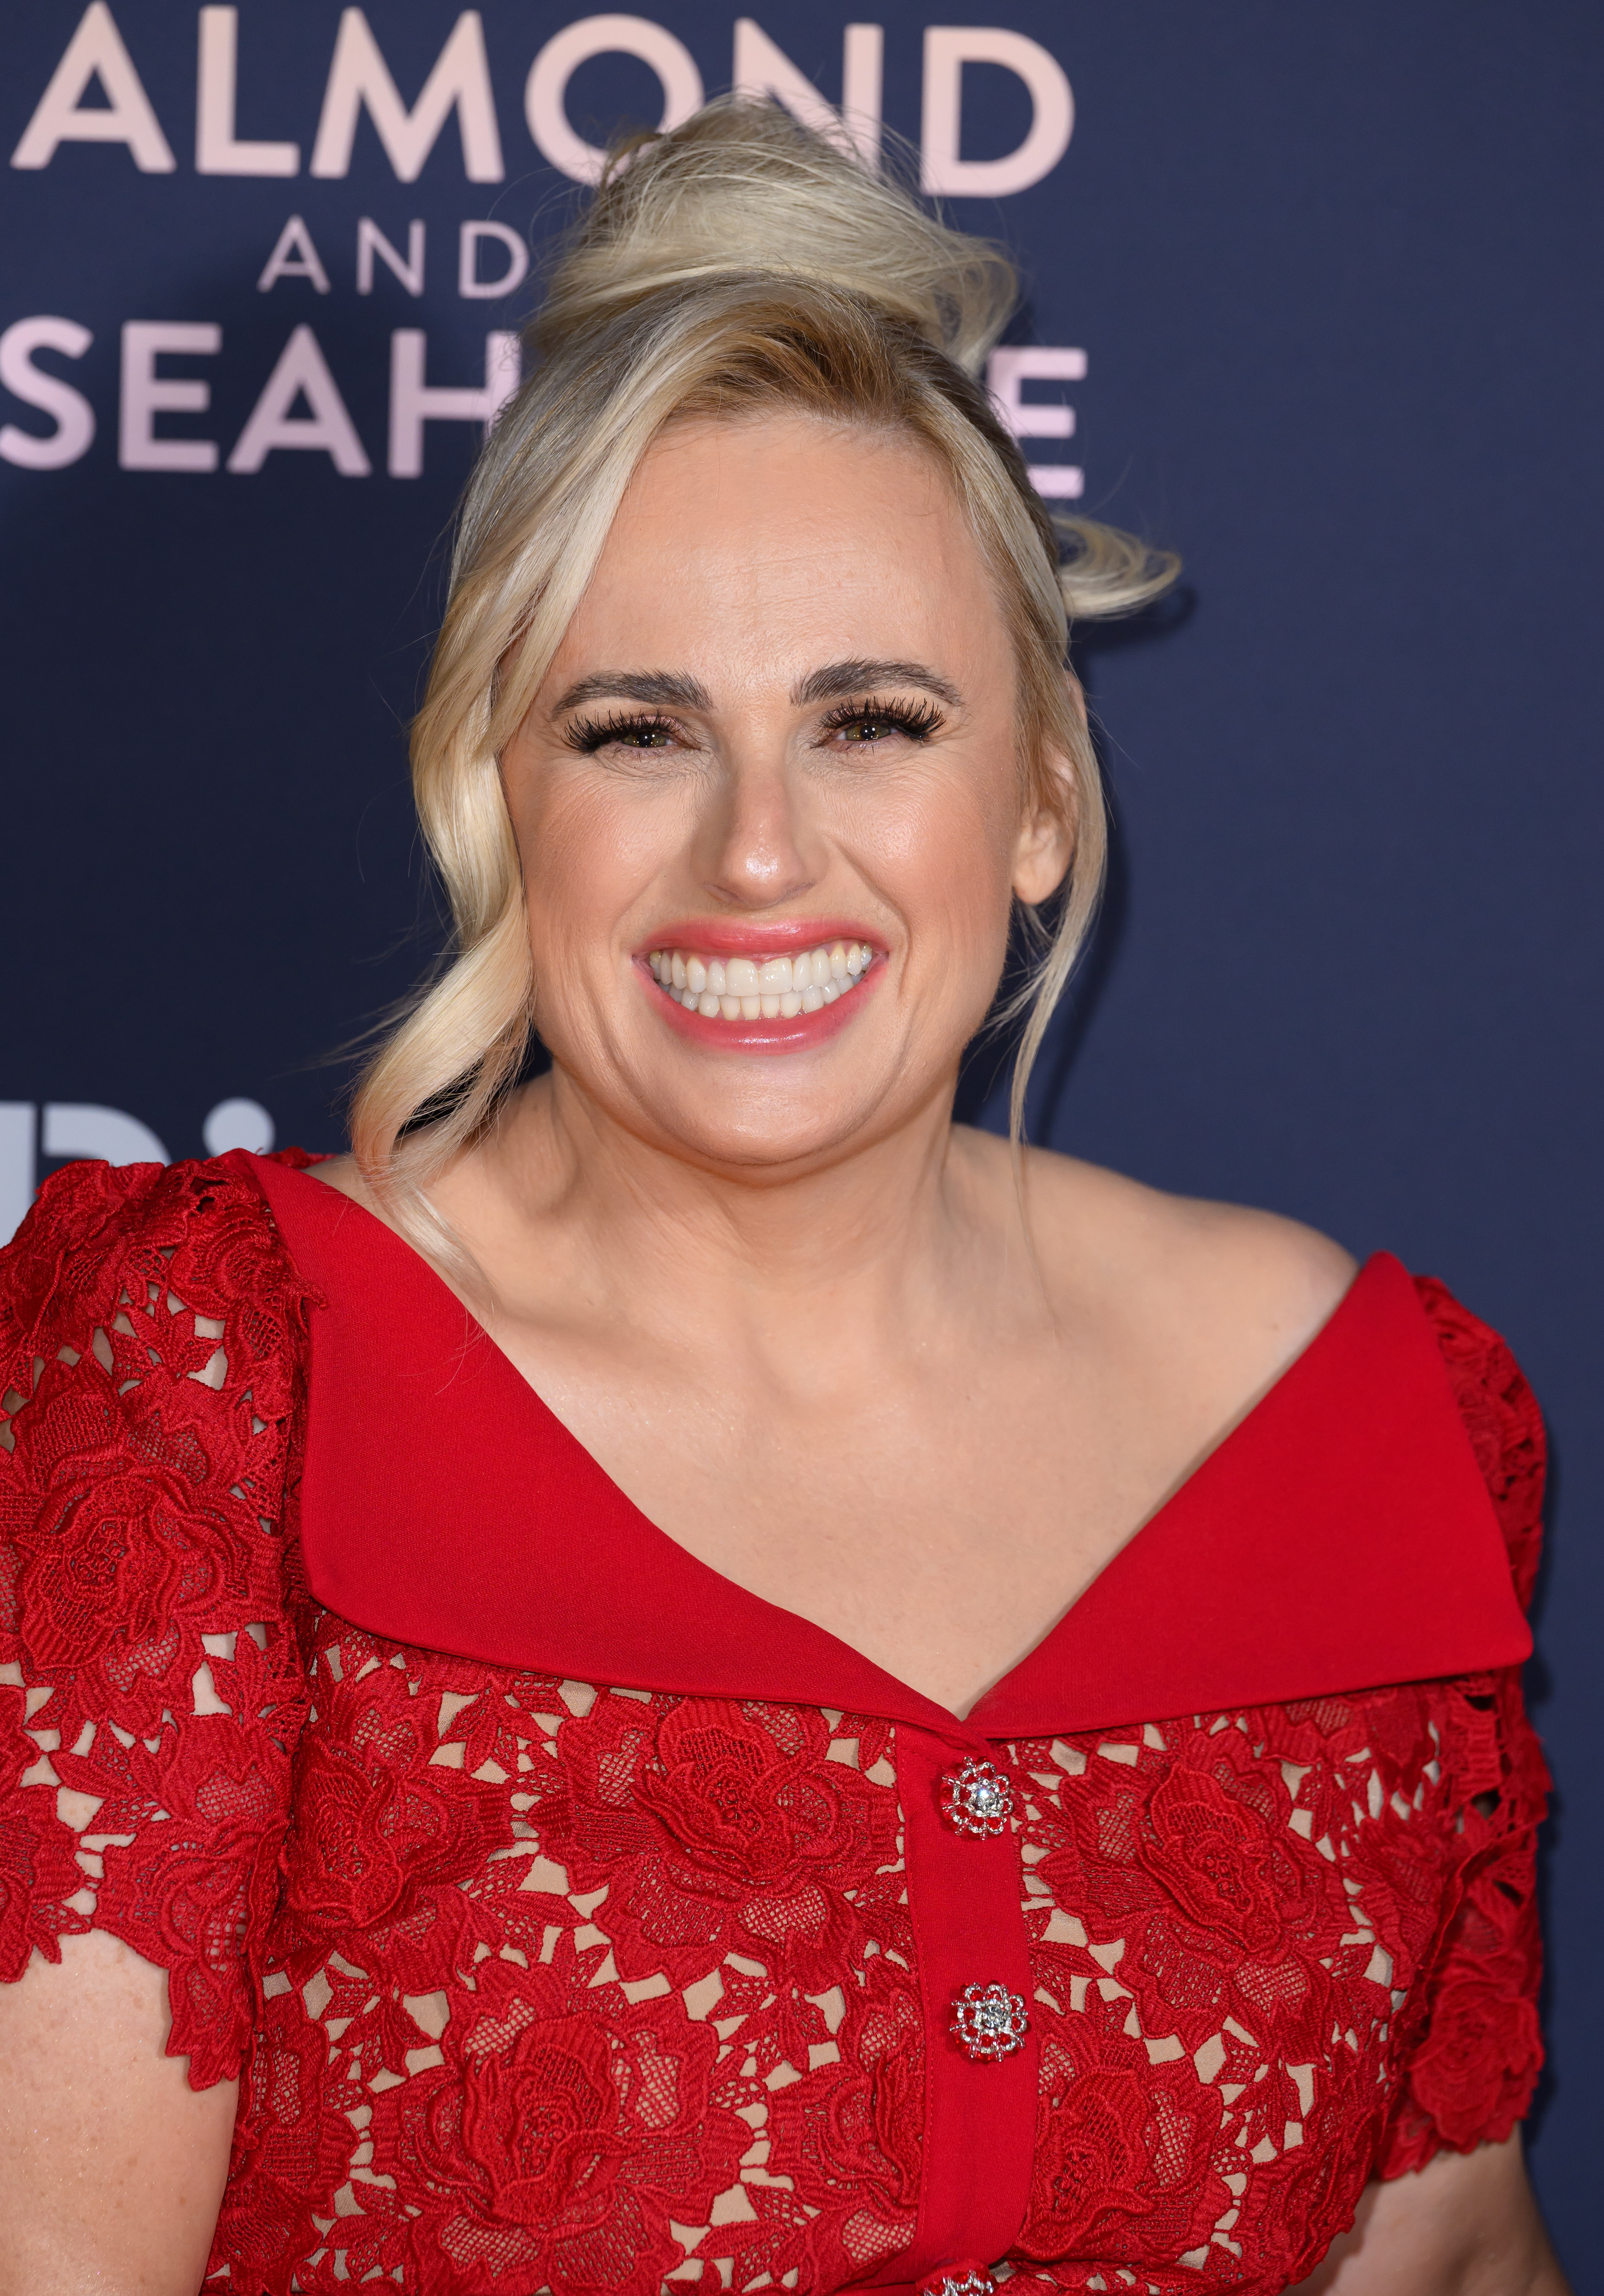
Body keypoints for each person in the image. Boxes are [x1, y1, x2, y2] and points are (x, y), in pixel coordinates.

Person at [0, 100, 1565, 2296]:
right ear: (495, 791)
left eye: (871, 721)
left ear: (1033, 798)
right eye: (638, 727)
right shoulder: (205, 1379)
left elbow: (1450, 2259)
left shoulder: (1371, 1413)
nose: (756, 851)